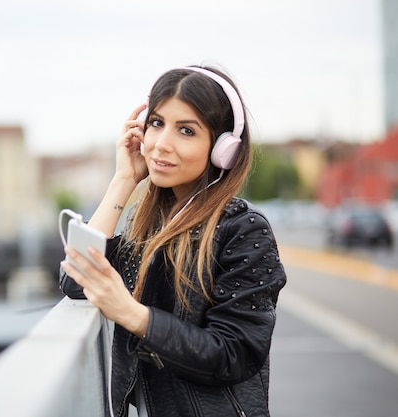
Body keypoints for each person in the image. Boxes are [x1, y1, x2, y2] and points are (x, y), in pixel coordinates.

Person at [59, 65, 287, 417]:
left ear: (223, 148)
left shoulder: (243, 230)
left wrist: (134, 316)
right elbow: (77, 280)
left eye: (186, 130)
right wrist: (123, 179)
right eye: (156, 123)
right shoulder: (148, 224)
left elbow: (233, 354)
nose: (162, 144)